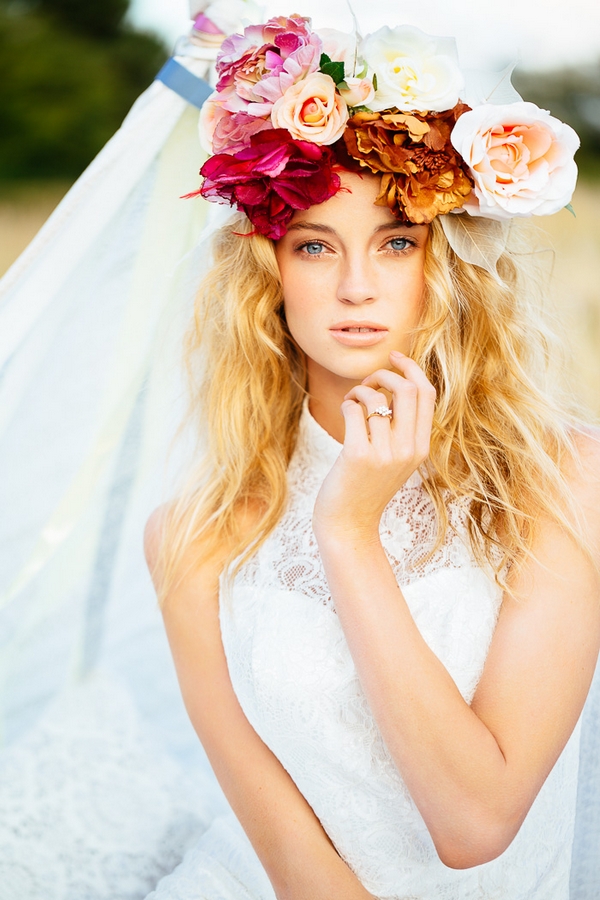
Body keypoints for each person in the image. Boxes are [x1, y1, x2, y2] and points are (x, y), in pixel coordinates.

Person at [143, 14, 600, 900]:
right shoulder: (191, 535)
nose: (356, 286)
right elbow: (285, 853)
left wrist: (349, 531)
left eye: (397, 242)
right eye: (316, 245)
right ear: (269, 274)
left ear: (448, 261)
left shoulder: (563, 475)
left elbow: (476, 826)